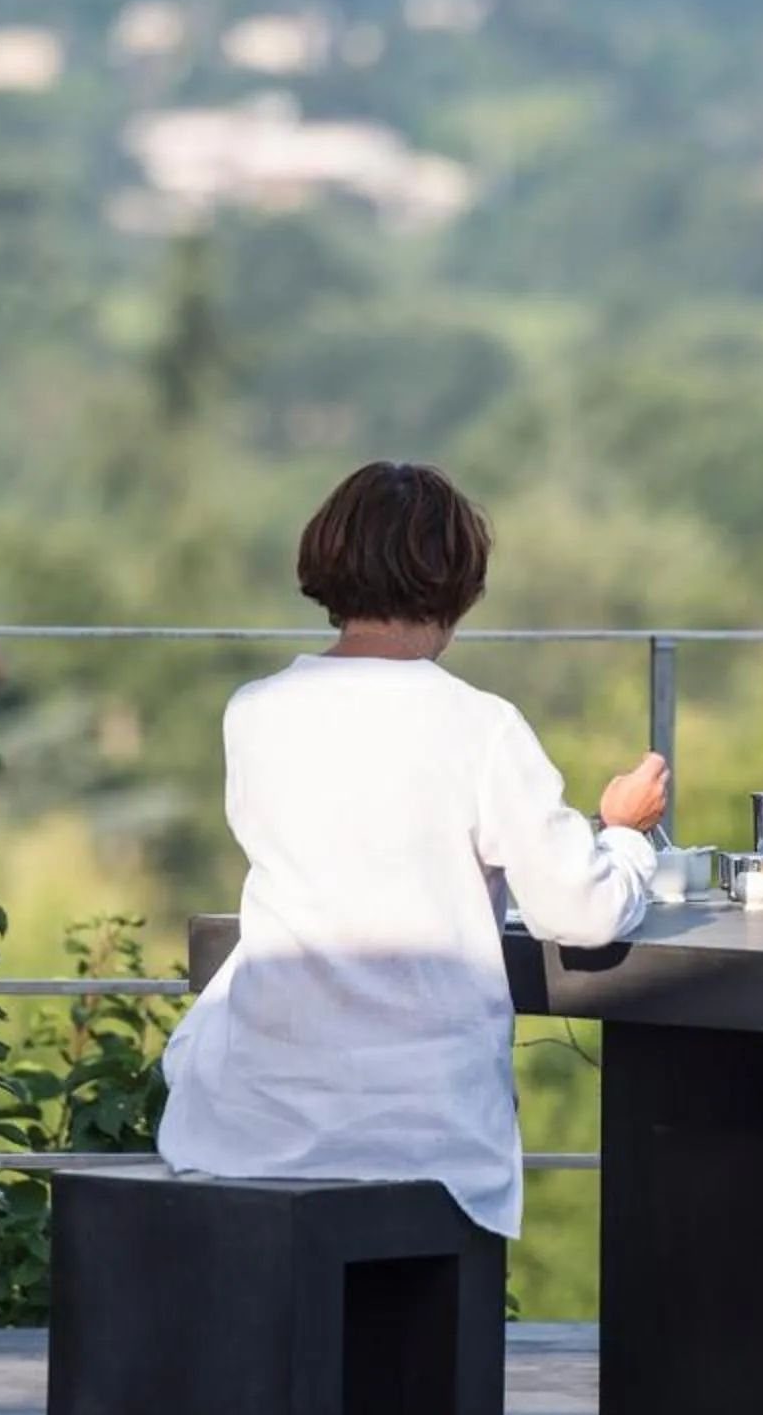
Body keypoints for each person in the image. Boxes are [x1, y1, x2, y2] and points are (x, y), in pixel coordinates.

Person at [157, 461, 669, 1239]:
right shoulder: (479, 726)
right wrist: (625, 834)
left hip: (254, 1118)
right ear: (457, 583)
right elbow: (582, 910)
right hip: (423, 1135)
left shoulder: (253, 713)